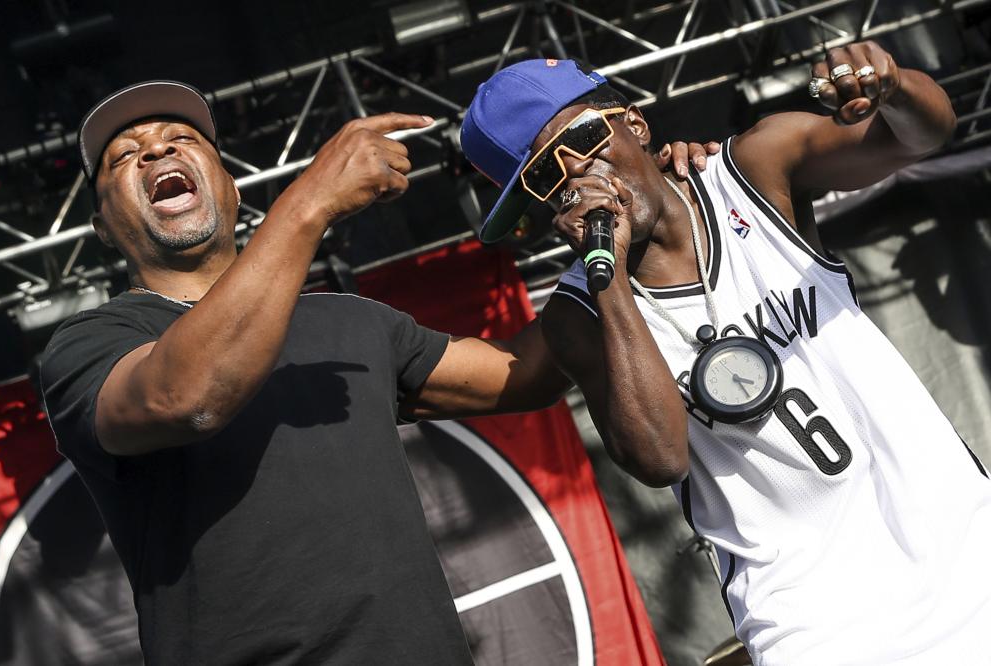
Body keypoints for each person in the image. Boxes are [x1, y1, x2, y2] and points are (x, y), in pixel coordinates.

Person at [39, 80, 712, 664]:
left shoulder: (346, 321)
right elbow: (188, 397)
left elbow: (529, 370)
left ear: (229, 186)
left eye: (182, 139)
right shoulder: (93, 345)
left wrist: (653, 216)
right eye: (124, 156)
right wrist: (310, 202)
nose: (157, 151)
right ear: (102, 227)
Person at [460, 51, 991, 664]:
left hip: (965, 547)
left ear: (634, 123)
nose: (577, 174)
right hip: (816, 627)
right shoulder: (580, 315)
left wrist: (894, 86)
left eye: (581, 140)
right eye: (544, 178)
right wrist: (609, 276)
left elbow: (920, 136)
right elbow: (659, 459)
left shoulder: (753, 171)